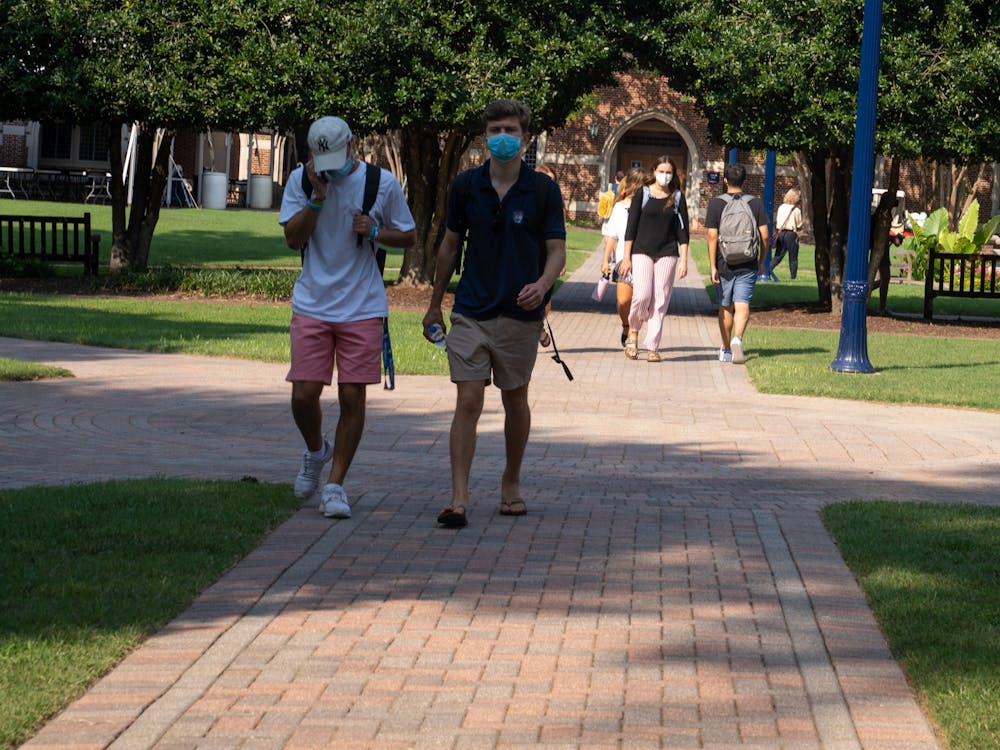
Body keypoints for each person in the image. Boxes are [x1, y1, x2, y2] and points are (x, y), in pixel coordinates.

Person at [422, 99, 566, 529]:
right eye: (494, 129)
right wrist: (434, 302)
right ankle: (459, 498)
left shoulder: (542, 190)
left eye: (511, 130)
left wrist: (542, 287)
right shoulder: (466, 186)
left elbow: (556, 252)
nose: (502, 137)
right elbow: (449, 245)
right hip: (471, 310)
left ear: (525, 137)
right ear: (485, 135)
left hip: (520, 315)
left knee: (514, 399)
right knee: (468, 399)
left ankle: (511, 482)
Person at [279, 116, 416, 518]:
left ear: (352, 146)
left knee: (352, 396)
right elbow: (292, 239)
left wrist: (374, 231)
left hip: (362, 305)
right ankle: (315, 450)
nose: (330, 168)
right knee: (304, 394)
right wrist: (316, 200)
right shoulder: (300, 183)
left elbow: (407, 235)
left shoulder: (381, 184)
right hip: (313, 302)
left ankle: (335, 485)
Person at [617, 156, 690, 362]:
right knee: (642, 295)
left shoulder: (677, 197)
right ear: (654, 171)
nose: (665, 175)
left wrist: (684, 260)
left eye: (669, 172)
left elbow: (683, 232)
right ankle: (633, 332)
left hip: (667, 252)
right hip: (641, 250)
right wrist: (626, 257)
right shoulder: (644, 193)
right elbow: (631, 226)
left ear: (673, 174)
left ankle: (652, 346)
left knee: (660, 299)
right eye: (662, 171)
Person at [704, 162, 769, 364]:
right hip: (748, 261)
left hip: (724, 263)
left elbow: (712, 236)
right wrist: (761, 260)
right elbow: (765, 236)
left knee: (725, 306)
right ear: (745, 181)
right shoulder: (755, 203)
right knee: (743, 303)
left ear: (725, 180)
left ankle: (725, 349)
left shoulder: (716, 203)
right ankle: (738, 339)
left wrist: (713, 265)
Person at [599, 167, 646, 346]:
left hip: (643, 259)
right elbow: (612, 235)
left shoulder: (647, 206)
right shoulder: (619, 207)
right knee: (623, 300)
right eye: (636, 184)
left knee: (640, 300)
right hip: (622, 261)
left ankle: (634, 333)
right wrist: (605, 260)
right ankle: (626, 324)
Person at [770, 188, 803, 279]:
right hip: (791, 234)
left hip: (780, 233)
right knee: (793, 256)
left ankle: (768, 270)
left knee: (778, 256)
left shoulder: (781, 207)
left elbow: (777, 221)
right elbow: (799, 224)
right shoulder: (796, 210)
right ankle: (793, 276)